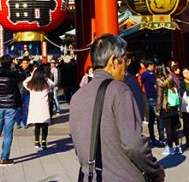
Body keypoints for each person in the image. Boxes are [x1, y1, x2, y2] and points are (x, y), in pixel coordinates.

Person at [69, 34, 164, 182]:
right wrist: (154, 170)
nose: (126, 65)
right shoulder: (119, 90)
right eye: (125, 60)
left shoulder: (77, 96)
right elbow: (133, 145)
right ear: (113, 61)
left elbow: (78, 147)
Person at [0, 54, 23, 165]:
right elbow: (22, 79)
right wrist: (17, 67)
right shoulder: (14, 75)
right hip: (10, 105)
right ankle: (4, 158)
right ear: (11, 62)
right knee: (8, 133)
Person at [25, 65, 54, 149]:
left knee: (37, 125)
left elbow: (24, 82)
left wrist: (31, 76)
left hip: (35, 108)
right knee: (45, 125)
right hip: (44, 108)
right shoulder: (46, 85)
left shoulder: (30, 85)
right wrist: (45, 78)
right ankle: (44, 142)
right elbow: (53, 83)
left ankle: (36, 142)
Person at [155, 66, 181, 156]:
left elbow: (159, 97)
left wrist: (158, 109)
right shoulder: (171, 79)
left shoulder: (160, 81)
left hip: (165, 107)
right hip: (173, 106)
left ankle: (170, 148)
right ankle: (178, 147)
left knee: (168, 128)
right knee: (174, 128)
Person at [139, 61, 161, 144]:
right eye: (153, 65)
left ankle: (156, 137)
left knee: (155, 119)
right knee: (155, 118)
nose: (154, 66)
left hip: (153, 96)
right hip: (151, 97)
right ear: (149, 65)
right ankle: (156, 137)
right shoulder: (147, 74)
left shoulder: (150, 74)